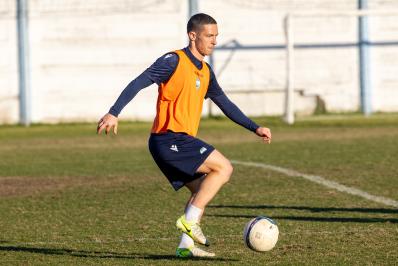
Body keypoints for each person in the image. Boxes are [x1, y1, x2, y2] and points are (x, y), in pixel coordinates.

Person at [97, 13, 272, 258]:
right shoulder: (173, 61)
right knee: (224, 168)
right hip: (169, 139)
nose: (214, 41)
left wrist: (255, 127)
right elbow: (139, 81)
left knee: (202, 190)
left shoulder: (206, 71)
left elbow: (225, 104)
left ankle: (185, 247)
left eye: (216, 36)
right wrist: (114, 112)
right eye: (209, 36)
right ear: (193, 35)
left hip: (176, 141)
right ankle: (189, 224)